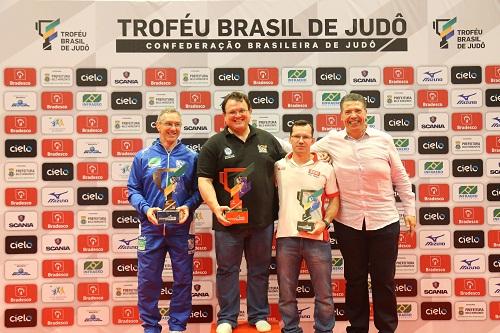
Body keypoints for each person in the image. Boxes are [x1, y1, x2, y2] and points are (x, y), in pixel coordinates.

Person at [312, 93, 416, 333]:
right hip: (349, 223)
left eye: (357, 110)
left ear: (366, 113)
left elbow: (400, 177)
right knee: (355, 279)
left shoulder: (383, 140)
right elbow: (304, 151)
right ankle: (357, 328)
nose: (353, 115)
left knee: (384, 281)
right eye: (348, 111)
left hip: (385, 221)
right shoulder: (331, 141)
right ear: (340, 116)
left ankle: (387, 328)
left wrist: (409, 209)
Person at [197, 91, 286, 333]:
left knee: (259, 270)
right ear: (224, 117)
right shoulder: (213, 144)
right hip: (227, 222)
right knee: (227, 271)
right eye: (232, 112)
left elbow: (285, 173)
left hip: (262, 221)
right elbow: (204, 181)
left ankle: (258, 314)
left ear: (250, 112)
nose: (238, 115)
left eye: (241, 110)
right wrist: (216, 208)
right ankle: (227, 317)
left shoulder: (267, 139)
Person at [127, 109, 202, 333]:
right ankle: (150, 328)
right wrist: (146, 208)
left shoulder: (191, 157)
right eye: (168, 123)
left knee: (183, 280)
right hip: (151, 229)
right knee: (148, 282)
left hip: (181, 229)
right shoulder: (143, 156)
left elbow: (200, 191)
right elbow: (132, 189)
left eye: (177, 124)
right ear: (157, 126)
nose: (173, 128)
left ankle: (177, 327)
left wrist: (188, 206)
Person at [274, 119, 339, 333]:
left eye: (306, 137)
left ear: (313, 140)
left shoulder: (326, 168)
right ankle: (291, 330)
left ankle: (324, 330)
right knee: (286, 293)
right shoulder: (279, 166)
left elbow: (334, 200)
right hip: (286, 238)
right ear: (290, 139)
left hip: (317, 239)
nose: (301, 141)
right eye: (297, 136)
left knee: (324, 294)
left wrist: (325, 222)